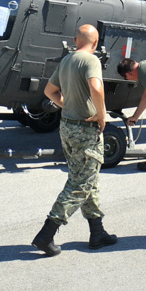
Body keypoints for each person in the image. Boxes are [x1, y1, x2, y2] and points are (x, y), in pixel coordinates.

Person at [31, 24, 117, 256]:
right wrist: (101, 114)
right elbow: (96, 88)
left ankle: (97, 232)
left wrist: (67, 104)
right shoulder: (91, 60)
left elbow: (50, 91)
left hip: (67, 127)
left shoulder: (67, 60)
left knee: (88, 180)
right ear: (96, 43)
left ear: (75, 40)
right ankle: (46, 234)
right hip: (85, 130)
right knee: (80, 184)